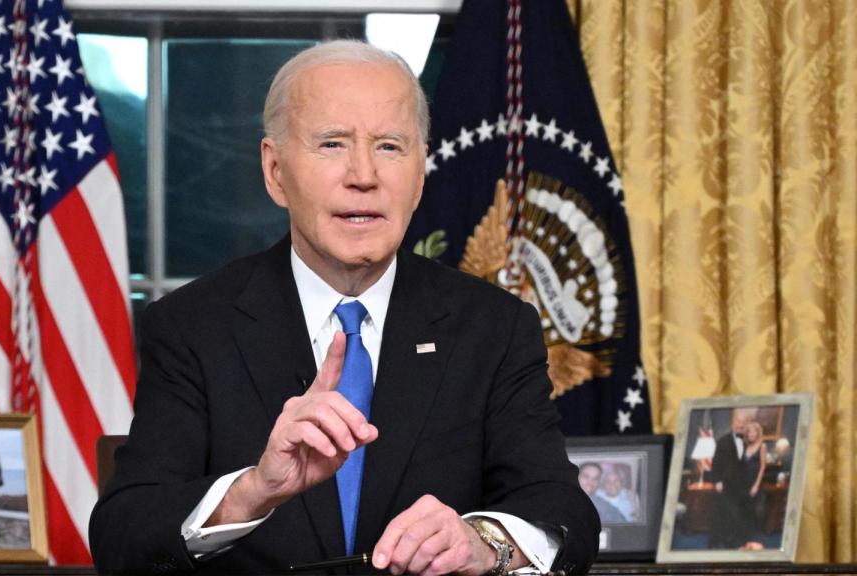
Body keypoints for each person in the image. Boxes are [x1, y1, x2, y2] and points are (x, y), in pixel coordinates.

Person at [90, 40, 599, 575]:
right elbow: (123, 535)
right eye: (332, 144)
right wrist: (254, 491)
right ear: (275, 171)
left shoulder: (494, 327)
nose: (364, 174)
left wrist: (482, 542)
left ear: (421, 173)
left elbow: (564, 514)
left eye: (389, 146)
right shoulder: (193, 326)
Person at [708, 408, 753, 549]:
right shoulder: (722, 441)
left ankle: (736, 542)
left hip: (741, 487)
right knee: (727, 513)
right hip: (726, 486)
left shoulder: (748, 441)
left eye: (743, 422)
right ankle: (719, 541)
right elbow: (715, 465)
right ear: (732, 422)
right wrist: (716, 481)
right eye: (738, 421)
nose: (740, 424)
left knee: (741, 513)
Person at [741, 420, 767, 542]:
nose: (751, 434)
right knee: (744, 507)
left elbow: (763, 466)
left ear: (758, 433)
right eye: (749, 431)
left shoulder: (762, 445)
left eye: (754, 431)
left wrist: (756, 485)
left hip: (754, 481)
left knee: (754, 509)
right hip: (744, 480)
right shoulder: (746, 446)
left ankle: (752, 537)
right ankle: (744, 534)